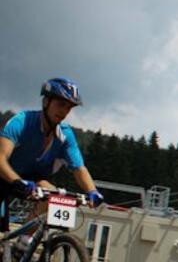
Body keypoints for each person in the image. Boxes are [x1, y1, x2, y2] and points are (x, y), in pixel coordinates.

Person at [0, 78, 104, 234]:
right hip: (5, 175)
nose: (64, 111)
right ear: (46, 102)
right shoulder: (22, 122)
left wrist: (92, 191)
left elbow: (79, 168)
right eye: (61, 104)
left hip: (32, 179)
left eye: (69, 108)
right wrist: (17, 181)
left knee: (53, 195)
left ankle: (23, 243)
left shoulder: (66, 135)